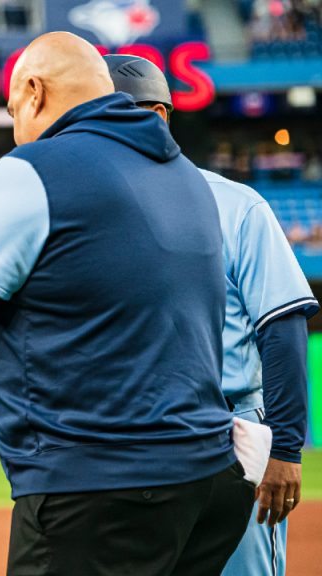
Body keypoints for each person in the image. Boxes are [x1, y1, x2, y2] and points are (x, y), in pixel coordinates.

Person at [0, 32, 254, 575]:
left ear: (34, 92)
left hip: (99, 488)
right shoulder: (186, 177)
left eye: (12, 112)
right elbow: (121, 319)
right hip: (208, 483)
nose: (15, 130)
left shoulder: (35, 167)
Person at [105, 53, 319, 576]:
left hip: (229, 432)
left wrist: (286, 449)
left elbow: (283, 328)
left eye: (113, 115)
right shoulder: (91, 211)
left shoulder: (235, 204)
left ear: (158, 115)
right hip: (128, 440)